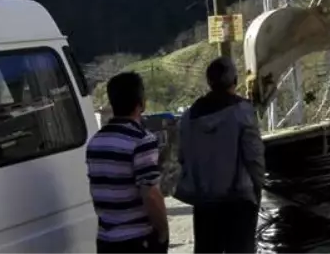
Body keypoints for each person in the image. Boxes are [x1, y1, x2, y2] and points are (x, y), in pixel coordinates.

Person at [174, 57, 266, 254]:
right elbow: (254, 157)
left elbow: (181, 158)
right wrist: (259, 186)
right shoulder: (242, 112)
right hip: (239, 203)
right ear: (234, 81)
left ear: (209, 82)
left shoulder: (188, 117)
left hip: (205, 204)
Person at [85, 71, 169, 253]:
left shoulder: (95, 142)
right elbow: (151, 195)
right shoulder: (141, 140)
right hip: (137, 240)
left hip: (106, 240)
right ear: (141, 102)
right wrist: (163, 231)